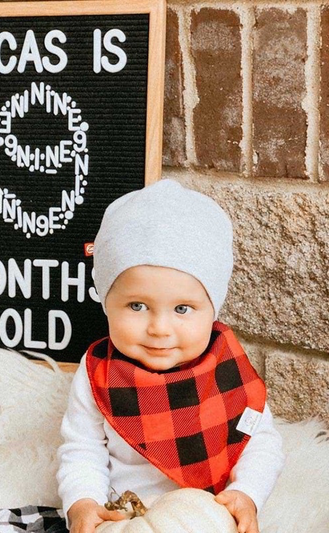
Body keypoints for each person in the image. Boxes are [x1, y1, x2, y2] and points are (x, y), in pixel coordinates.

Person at [57, 179, 285, 533]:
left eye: (182, 308)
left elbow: (259, 442)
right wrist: (82, 502)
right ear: (106, 301)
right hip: (124, 516)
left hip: (209, 517)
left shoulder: (227, 372)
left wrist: (246, 493)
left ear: (213, 308)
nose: (160, 328)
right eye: (137, 306)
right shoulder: (98, 375)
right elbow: (82, 449)